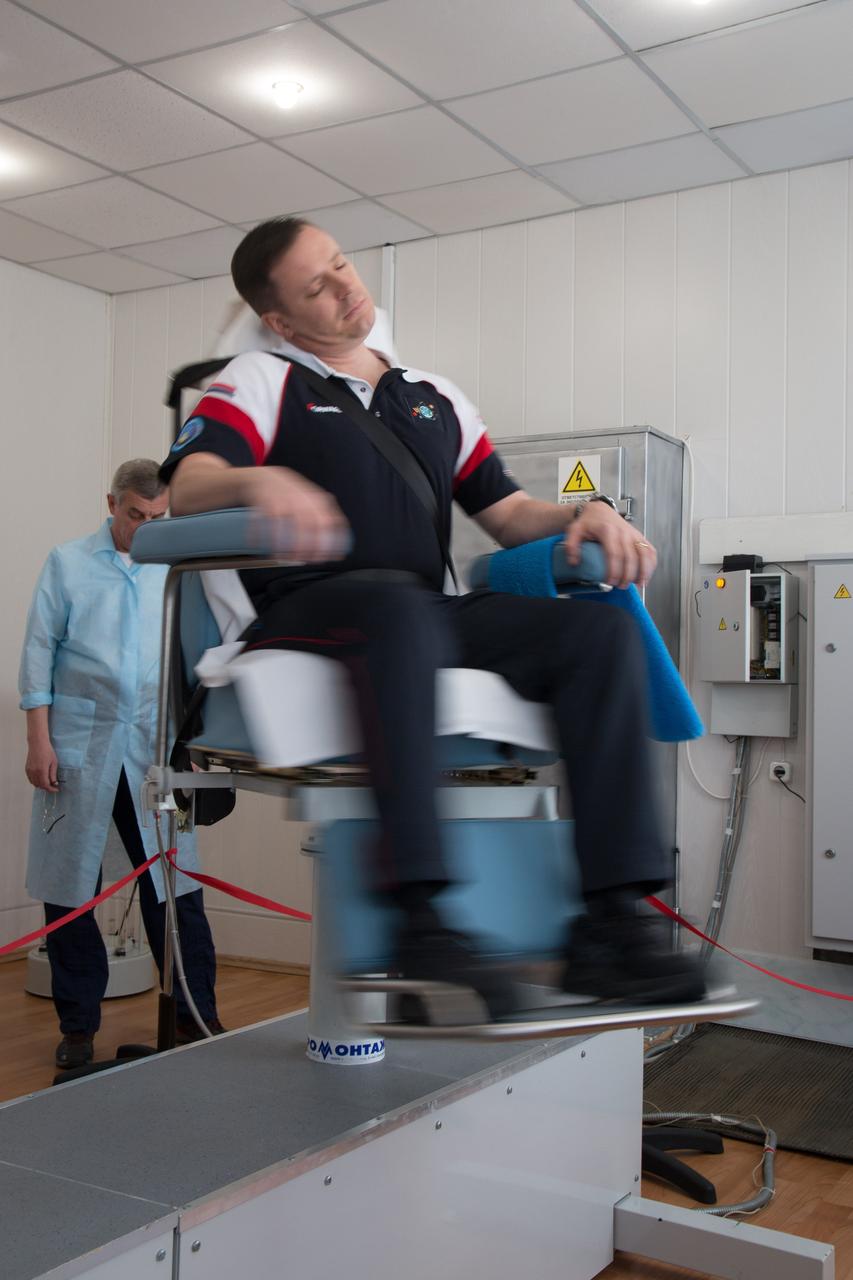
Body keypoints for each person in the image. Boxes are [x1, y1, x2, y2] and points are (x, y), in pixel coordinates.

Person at [160, 217, 704, 1019]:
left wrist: (586, 513)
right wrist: (257, 483)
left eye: (342, 266)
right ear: (279, 320)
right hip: (307, 606)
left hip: (416, 610)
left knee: (597, 631)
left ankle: (612, 924)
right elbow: (189, 483)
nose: (348, 288)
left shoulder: (431, 396)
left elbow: (509, 513)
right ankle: (420, 916)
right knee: (396, 610)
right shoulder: (260, 379)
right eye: (317, 286)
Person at [20, 460, 222, 1068]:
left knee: (175, 884)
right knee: (69, 889)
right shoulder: (68, 562)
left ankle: (197, 1017)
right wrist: (38, 741)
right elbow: (37, 654)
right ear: (111, 502)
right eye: (136, 515)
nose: (146, 527)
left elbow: (201, 659)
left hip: (154, 752)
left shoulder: (177, 567)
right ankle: (78, 1027)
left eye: (158, 517)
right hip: (79, 746)